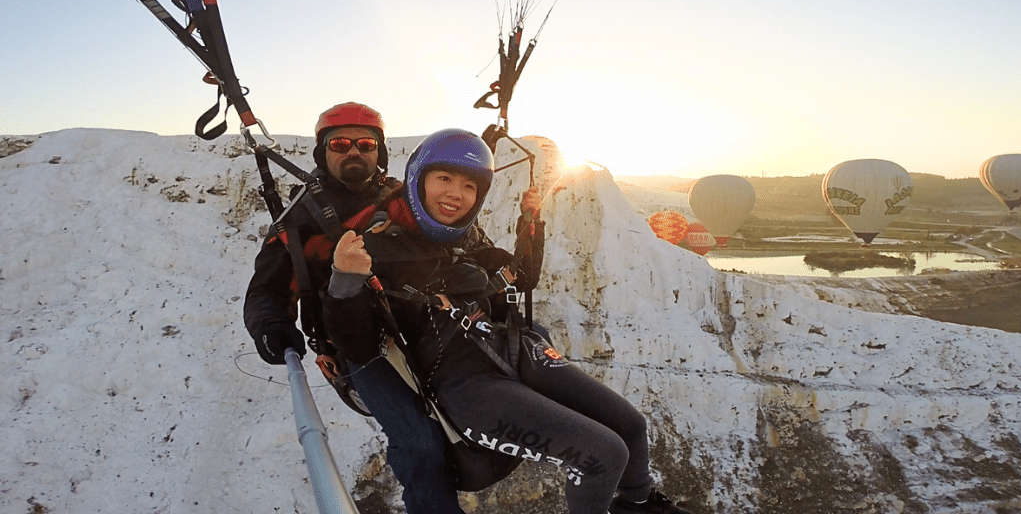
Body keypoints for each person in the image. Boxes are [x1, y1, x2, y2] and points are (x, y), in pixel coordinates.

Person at [323, 128, 692, 514]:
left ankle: (638, 502)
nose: (455, 193)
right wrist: (345, 279)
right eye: (444, 179)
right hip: (464, 381)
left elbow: (520, 277)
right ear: (420, 180)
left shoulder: (467, 240)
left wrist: (530, 222)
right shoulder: (376, 248)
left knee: (630, 426)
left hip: (510, 347)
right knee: (603, 454)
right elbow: (359, 346)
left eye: (469, 185)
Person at [243, 103, 466, 514]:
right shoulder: (301, 218)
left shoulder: (404, 198)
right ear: (323, 153)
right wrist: (270, 325)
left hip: (422, 324)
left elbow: (451, 239)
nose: (353, 152)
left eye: (365, 144)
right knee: (419, 442)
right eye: (340, 143)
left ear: (379, 151)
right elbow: (269, 286)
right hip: (355, 345)